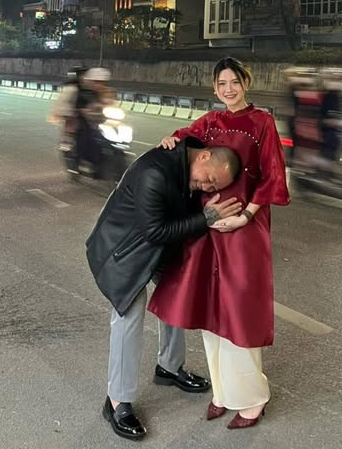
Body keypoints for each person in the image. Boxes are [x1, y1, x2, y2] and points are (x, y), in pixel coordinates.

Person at [148, 56, 290, 430]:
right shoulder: (210, 122)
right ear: (215, 88)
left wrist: (247, 216)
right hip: (207, 227)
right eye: (221, 84)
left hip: (244, 229)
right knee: (210, 310)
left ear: (246, 82)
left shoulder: (263, 122)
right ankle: (223, 393)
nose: (228, 89)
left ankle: (253, 399)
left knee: (239, 311)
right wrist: (173, 139)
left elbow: (273, 177)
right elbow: (185, 138)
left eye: (234, 82)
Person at [86, 137, 244, 440]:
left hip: (156, 249)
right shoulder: (153, 172)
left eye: (213, 187)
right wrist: (207, 218)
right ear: (204, 157)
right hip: (123, 253)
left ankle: (169, 367)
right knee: (129, 316)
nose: (207, 187)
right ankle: (116, 401)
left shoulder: (185, 157)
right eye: (209, 180)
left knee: (175, 295)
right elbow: (155, 231)